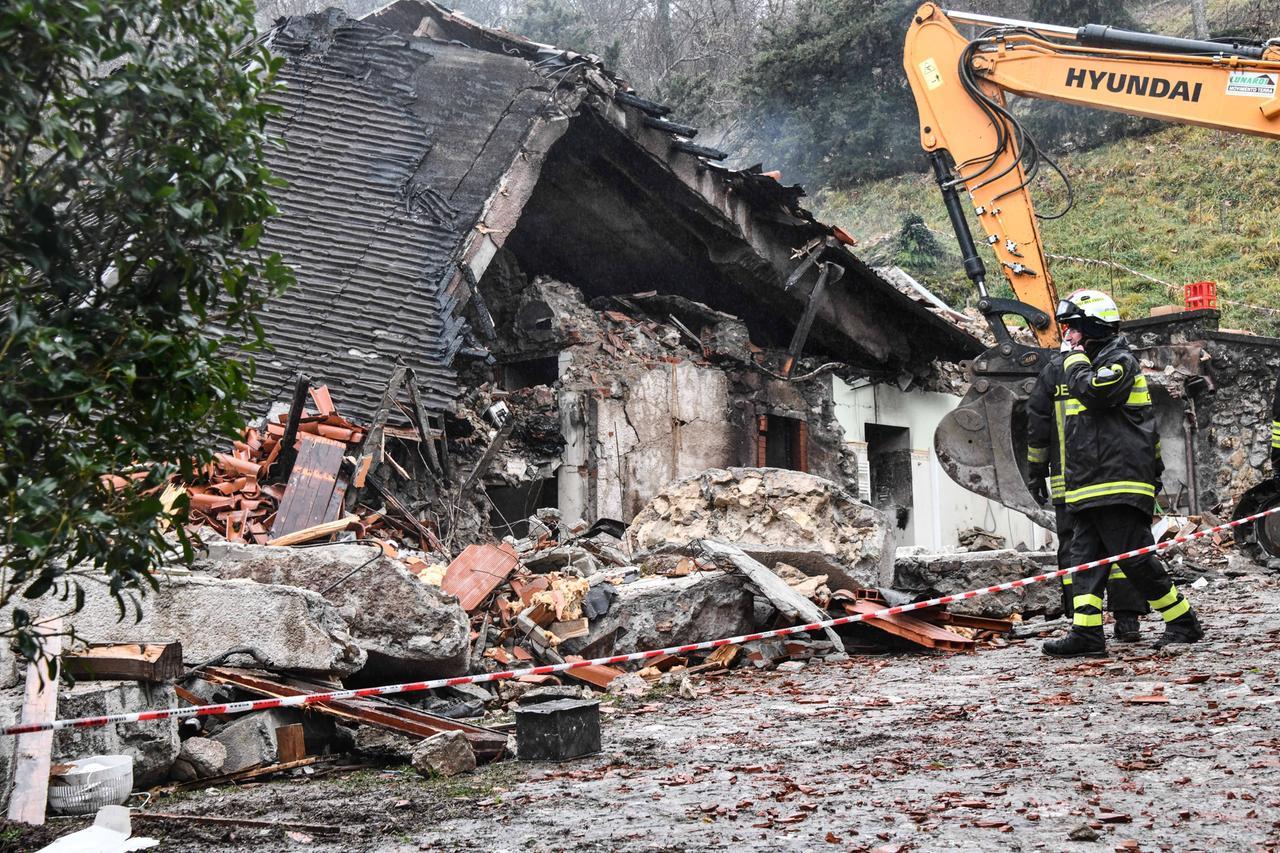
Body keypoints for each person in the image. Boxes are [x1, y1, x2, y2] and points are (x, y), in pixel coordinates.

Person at [1042, 289, 1204, 657]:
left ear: (1092, 327)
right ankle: (1086, 634)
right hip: (1090, 483)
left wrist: (1072, 362)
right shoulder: (1095, 359)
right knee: (1083, 559)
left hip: (1116, 480)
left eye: (1072, 329)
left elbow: (1095, 393)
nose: (1067, 337)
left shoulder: (1119, 361)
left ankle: (1182, 621)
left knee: (1133, 558)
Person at [1025, 344, 1150, 642]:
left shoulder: (1054, 371)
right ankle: (1127, 618)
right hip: (1114, 476)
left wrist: (1035, 471)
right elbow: (1143, 422)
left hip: (1070, 481)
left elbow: (1038, 423)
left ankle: (1081, 622)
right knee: (1125, 545)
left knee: (1076, 549)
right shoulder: (1120, 363)